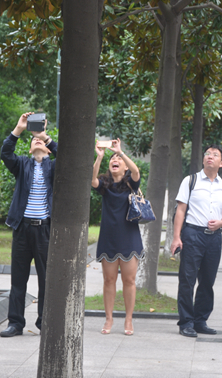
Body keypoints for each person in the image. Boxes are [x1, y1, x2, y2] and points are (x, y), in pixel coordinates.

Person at [0, 112, 56, 337]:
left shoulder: (54, 168)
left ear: (48, 148)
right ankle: (15, 323)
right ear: (29, 149)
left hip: (44, 230)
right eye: (34, 140)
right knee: (18, 279)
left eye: (41, 140)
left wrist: (45, 136)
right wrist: (19, 129)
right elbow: (6, 152)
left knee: (46, 279)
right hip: (22, 229)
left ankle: (45, 322)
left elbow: (69, 158)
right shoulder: (22, 165)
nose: (38, 141)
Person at [170, 145, 222, 338]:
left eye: (215, 155)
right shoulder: (191, 181)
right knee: (187, 280)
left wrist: (221, 222)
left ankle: (200, 321)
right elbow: (181, 210)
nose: (210, 157)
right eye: (207, 154)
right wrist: (176, 237)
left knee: (207, 281)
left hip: (214, 238)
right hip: (192, 234)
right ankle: (186, 322)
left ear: (221, 163)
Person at [91, 139, 143, 336]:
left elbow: (136, 171)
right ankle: (109, 318)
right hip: (108, 238)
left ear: (123, 165)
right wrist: (100, 156)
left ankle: (128, 319)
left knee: (129, 280)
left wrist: (120, 152)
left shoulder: (131, 182)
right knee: (108, 279)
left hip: (129, 237)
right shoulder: (104, 184)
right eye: (112, 159)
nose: (115, 160)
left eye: (118, 159)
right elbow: (92, 179)